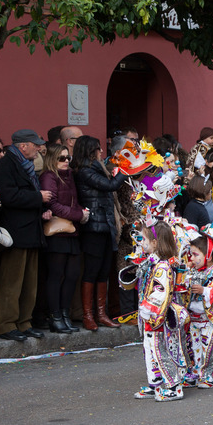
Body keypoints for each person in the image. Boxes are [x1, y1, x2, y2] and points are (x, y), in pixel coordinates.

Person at [0, 129, 51, 342]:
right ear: (23, 145)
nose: (38, 148)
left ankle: (24, 323)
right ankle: (7, 325)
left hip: (30, 230)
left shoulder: (24, 165)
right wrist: (37, 197)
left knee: (29, 282)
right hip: (15, 231)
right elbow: (7, 196)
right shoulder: (6, 165)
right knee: (12, 281)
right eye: (35, 145)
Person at [73, 135, 127, 331]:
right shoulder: (85, 171)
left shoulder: (95, 168)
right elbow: (110, 186)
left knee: (104, 270)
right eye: (98, 148)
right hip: (93, 227)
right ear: (90, 151)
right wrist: (127, 169)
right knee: (92, 271)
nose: (101, 152)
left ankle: (101, 313)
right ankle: (89, 315)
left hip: (105, 224)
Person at [133, 221, 185, 402]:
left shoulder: (162, 267)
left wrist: (148, 309)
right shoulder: (152, 263)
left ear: (155, 243)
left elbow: (160, 292)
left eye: (144, 239)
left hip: (157, 318)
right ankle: (155, 382)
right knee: (149, 350)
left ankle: (173, 386)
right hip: (150, 317)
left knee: (160, 351)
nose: (141, 242)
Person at [40, 144, 88, 334]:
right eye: (61, 158)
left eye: (68, 158)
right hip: (57, 232)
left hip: (72, 231)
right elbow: (52, 203)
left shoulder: (69, 176)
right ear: (52, 159)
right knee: (56, 275)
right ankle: (55, 316)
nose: (66, 161)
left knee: (72, 275)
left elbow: (72, 201)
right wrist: (78, 215)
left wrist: (80, 213)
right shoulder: (48, 176)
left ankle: (65, 314)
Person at [180, 230, 213, 390]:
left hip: (209, 318)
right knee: (193, 346)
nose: (192, 258)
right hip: (193, 317)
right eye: (191, 255)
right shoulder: (193, 271)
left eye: (195, 255)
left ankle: (209, 375)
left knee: (209, 347)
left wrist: (204, 291)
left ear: (208, 256)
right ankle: (195, 372)